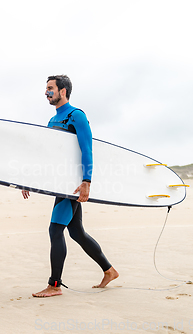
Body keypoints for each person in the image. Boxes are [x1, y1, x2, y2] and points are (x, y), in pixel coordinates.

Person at [22, 75, 119, 298]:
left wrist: (87, 181)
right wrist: (29, 179)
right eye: (46, 88)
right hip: (60, 183)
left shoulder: (77, 116)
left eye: (50, 88)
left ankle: (54, 285)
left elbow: (87, 149)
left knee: (55, 229)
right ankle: (109, 270)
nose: (46, 92)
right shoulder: (52, 121)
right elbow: (50, 156)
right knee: (77, 232)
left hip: (72, 186)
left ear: (63, 91)